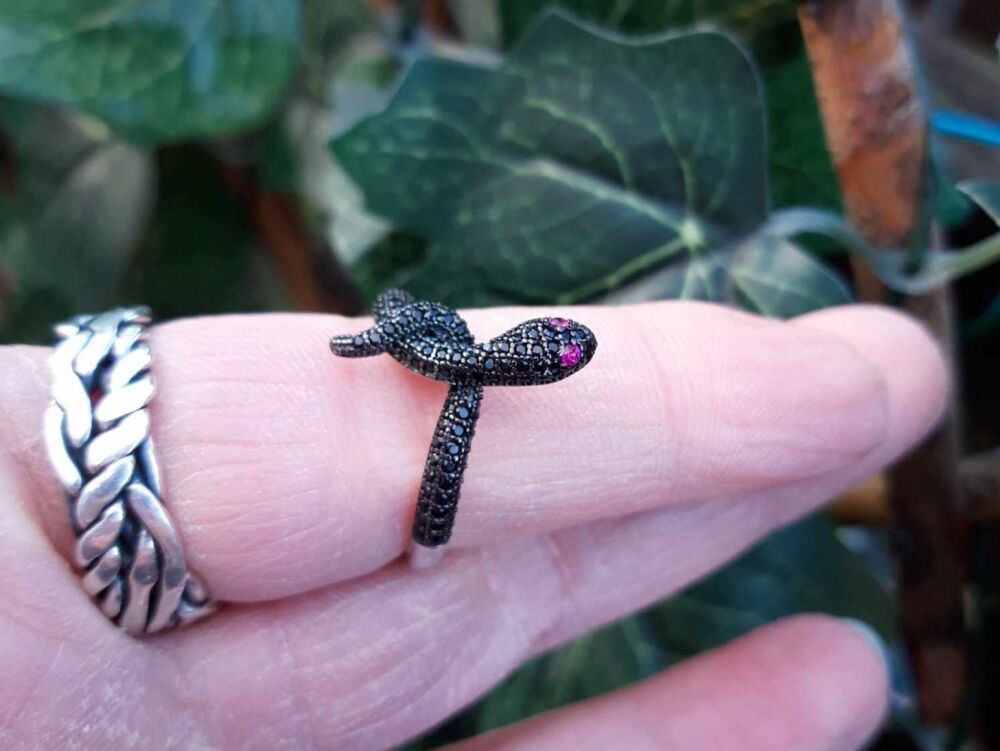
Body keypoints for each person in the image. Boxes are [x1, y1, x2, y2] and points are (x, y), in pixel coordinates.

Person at [0, 301, 947, 750]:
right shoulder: (454, 373)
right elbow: (394, 343)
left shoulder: (477, 375)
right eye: (558, 349)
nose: (561, 352)